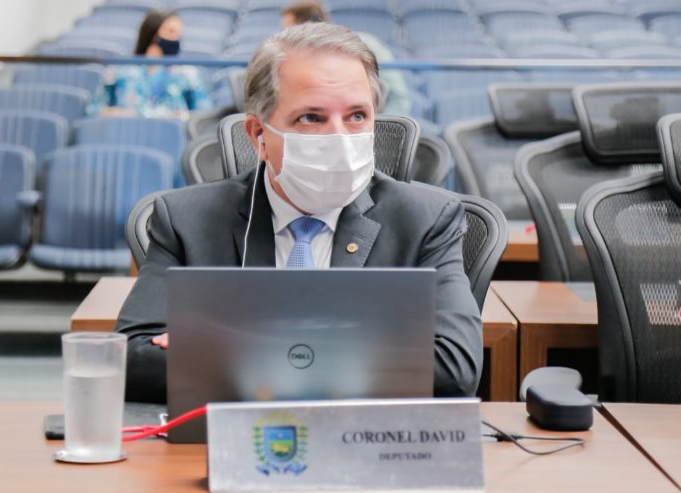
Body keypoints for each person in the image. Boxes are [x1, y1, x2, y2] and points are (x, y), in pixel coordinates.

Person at [115, 22, 482, 403]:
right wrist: (377, 349)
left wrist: (224, 348)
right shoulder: (186, 220)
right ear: (258, 135)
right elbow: (131, 359)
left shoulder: (427, 220)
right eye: (311, 118)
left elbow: (455, 369)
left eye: (357, 116)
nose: (340, 137)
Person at [280, 1, 412, 116]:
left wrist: (383, 133)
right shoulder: (299, 59)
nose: (286, 35)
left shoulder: (367, 44)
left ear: (308, 25)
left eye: (289, 29)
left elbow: (398, 97)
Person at [95, 10, 211, 118]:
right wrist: (118, 113)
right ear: (152, 33)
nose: (176, 38)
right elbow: (94, 110)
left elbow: (205, 115)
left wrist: (182, 116)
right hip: (126, 134)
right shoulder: (120, 71)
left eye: (179, 33)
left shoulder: (188, 74)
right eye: (170, 31)